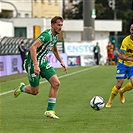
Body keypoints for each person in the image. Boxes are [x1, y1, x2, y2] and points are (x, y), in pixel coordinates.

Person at [14, 16, 68, 119]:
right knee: (35, 91)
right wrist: (35, 65)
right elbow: (32, 47)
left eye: (61, 25)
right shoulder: (46, 35)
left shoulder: (55, 37)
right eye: (58, 25)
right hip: (32, 64)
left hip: (43, 63)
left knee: (56, 83)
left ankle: (49, 110)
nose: (60, 27)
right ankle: (22, 88)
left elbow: (55, 50)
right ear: (52, 25)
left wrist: (61, 61)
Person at [106, 24, 133, 108]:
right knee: (118, 85)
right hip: (122, 64)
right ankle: (110, 101)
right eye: (132, 29)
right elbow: (120, 56)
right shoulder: (126, 40)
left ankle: (122, 92)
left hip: (131, 65)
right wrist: (131, 59)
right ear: (130, 30)